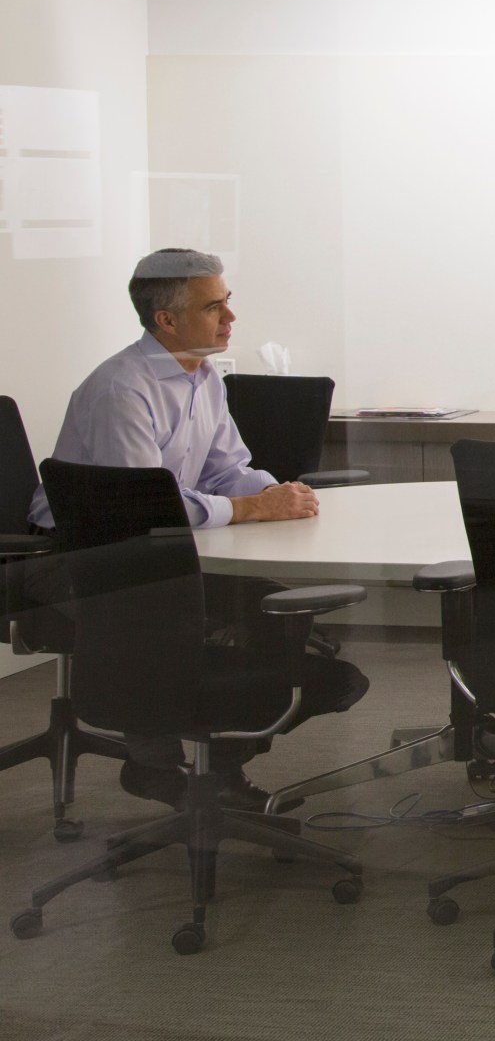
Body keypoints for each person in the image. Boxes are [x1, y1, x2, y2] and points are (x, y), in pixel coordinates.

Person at [30, 248, 367, 811]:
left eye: (227, 303)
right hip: (85, 557)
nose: (230, 319)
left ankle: (221, 767)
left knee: (277, 607)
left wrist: (278, 494)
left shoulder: (203, 375)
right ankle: (152, 760)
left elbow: (226, 470)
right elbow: (141, 508)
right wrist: (251, 510)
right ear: (167, 320)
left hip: (155, 547)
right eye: (215, 307)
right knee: (188, 618)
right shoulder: (122, 389)